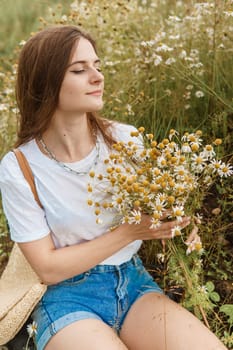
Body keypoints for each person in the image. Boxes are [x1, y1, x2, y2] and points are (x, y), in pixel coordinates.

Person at [0, 25, 227, 350]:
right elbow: (48, 268)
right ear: (46, 82)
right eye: (79, 70)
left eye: (97, 66)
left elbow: (158, 205)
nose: (97, 76)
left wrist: (178, 226)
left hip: (132, 283)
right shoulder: (20, 166)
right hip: (67, 296)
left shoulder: (126, 139)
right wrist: (130, 232)